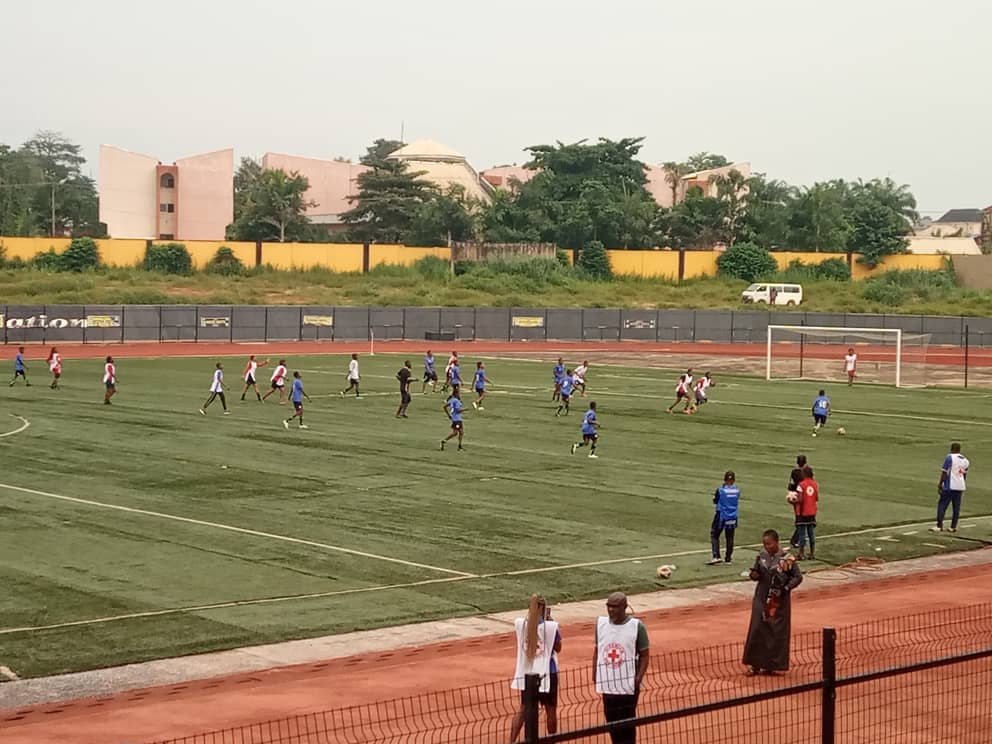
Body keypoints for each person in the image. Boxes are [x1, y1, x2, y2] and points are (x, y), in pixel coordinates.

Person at [742, 529, 802, 675]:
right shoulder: (761, 556)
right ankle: (755, 664)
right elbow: (756, 574)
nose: (766, 546)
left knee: (773, 630)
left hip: (777, 598)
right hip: (761, 596)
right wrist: (753, 575)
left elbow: (798, 577)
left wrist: (787, 588)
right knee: (757, 627)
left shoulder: (787, 558)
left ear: (776, 542)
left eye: (769, 543)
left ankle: (771, 665)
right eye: (764, 544)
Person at [593, 592, 649, 744]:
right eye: (609, 606)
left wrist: (638, 678)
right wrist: (595, 673)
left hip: (628, 685)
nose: (611, 610)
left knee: (627, 722)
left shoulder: (637, 627)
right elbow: (598, 650)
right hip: (608, 684)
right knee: (611, 721)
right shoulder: (601, 625)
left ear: (624, 607)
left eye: (615, 607)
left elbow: (645, 655)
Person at [509, 595, 562, 743]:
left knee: (524, 708)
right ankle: (552, 740)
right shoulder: (550, 627)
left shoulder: (521, 624)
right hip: (548, 673)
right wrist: (549, 623)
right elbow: (558, 648)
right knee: (550, 709)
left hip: (528, 673)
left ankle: (511, 741)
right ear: (544, 608)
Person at [931, 442, 970, 533]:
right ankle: (953, 526)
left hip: (950, 485)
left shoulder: (949, 457)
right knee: (956, 507)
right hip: (960, 486)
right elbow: (964, 475)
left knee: (942, 505)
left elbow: (944, 472)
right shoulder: (966, 460)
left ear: (952, 449)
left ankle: (939, 525)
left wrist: (940, 483)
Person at [708, 470, 740, 565]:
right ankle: (728, 558)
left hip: (721, 515)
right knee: (730, 537)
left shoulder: (721, 490)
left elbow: (715, 500)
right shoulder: (737, 490)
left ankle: (716, 556)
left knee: (715, 534)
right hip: (733, 515)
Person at [795, 465, 818, 560]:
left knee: (802, 534)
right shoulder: (815, 484)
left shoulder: (801, 485)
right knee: (811, 533)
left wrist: (792, 501)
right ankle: (812, 553)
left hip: (803, 512)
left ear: (804, 474)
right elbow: (816, 498)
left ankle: (801, 554)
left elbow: (800, 500)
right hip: (812, 511)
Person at [787, 455, 808, 549]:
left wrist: (790, 494)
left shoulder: (794, 471)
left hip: (795, 495)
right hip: (802, 496)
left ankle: (798, 538)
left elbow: (790, 484)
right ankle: (796, 539)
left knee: (799, 517)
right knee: (802, 518)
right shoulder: (805, 473)